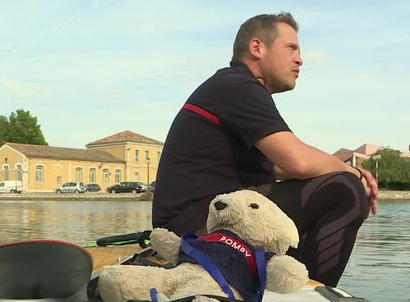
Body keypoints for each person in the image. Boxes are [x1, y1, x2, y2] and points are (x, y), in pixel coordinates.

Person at [152, 12, 378, 287]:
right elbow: (298, 161)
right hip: (196, 226)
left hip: (209, 216)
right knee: (344, 189)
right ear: (257, 48)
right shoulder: (237, 86)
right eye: (291, 48)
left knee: (331, 185)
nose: (300, 59)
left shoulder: (235, 87)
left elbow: (283, 166)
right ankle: (310, 297)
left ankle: (289, 283)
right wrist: (354, 172)